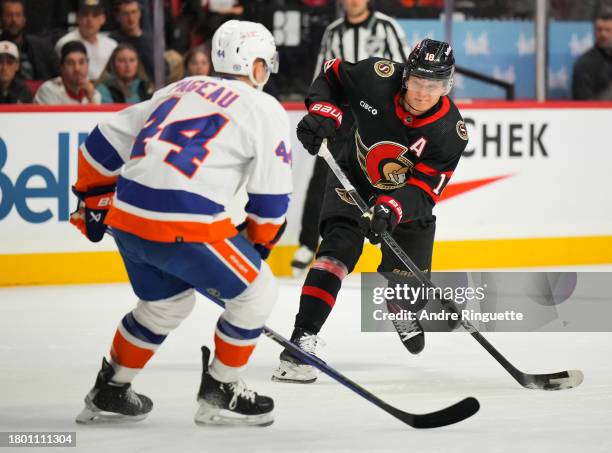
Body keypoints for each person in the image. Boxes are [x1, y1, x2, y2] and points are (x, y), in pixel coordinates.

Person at [71, 20, 292, 426]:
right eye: (267, 63)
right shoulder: (264, 108)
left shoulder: (179, 88)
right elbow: (271, 205)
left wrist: (92, 200)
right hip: (184, 220)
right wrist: (252, 257)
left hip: (129, 216)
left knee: (165, 305)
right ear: (256, 64)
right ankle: (221, 390)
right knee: (257, 293)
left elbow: (99, 142)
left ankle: (111, 389)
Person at [272, 39, 467, 383]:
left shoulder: (450, 133)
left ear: (446, 85)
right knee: (335, 254)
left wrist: (391, 208)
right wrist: (323, 113)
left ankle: (399, 306)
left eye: (434, 85)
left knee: (410, 291)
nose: (423, 93)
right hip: (353, 179)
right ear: (406, 76)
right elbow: (332, 75)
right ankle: (300, 341)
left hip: (403, 203)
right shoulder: (376, 77)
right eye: (418, 82)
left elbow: (424, 191)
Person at [291, 0, 410, 277]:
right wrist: (319, 109)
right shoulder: (333, 31)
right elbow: (321, 75)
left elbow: (406, 72)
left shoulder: (386, 28)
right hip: (343, 117)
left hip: (379, 118)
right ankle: (308, 244)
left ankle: (394, 253)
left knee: (388, 178)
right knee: (323, 177)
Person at [54, 0, 118, 81]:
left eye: (95, 15)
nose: (90, 20)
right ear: (77, 18)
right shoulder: (65, 43)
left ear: (103, 19)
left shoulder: (112, 45)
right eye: (85, 15)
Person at [0, 0, 59, 80]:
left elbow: (59, 76)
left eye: (18, 15)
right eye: (9, 15)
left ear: (24, 20)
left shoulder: (42, 46)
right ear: (1, 19)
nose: (13, 20)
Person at [34, 41, 101, 104]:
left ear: (88, 65)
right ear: (62, 67)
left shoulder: (94, 94)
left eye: (81, 62)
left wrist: (91, 100)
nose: (77, 68)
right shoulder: (48, 91)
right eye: (70, 63)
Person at [572, 9, 612, 100]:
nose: (603, 34)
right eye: (599, 30)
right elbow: (583, 103)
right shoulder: (584, 64)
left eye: (608, 30)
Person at [110, 0, 154, 80]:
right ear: (118, 16)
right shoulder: (112, 42)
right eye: (125, 14)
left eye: (134, 12)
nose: (130, 18)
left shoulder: (151, 40)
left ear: (140, 13)